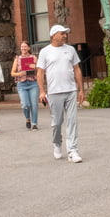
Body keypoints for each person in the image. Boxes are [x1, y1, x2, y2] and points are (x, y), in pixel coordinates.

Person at [37, 25, 85, 163]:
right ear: (53, 36)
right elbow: (40, 73)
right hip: (54, 92)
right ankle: (57, 143)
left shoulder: (70, 50)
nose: (65, 36)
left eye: (65, 33)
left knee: (72, 121)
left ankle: (72, 150)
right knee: (57, 122)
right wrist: (42, 91)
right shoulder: (45, 52)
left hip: (70, 90)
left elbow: (77, 69)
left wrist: (81, 89)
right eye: (62, 33)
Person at [10, 41, 40, 130]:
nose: (23, 48)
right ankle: (27, 118)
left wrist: (34, 68)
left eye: (25, 47)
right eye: (22, 47)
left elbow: (39, 71)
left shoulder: (34, 58)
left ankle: (34, 123)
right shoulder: (17, 59)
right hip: (22, 84)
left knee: (34, 104)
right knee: (25, 104)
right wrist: (20, 74)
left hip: (33, 83)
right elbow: (12, 73)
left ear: (29, 48)